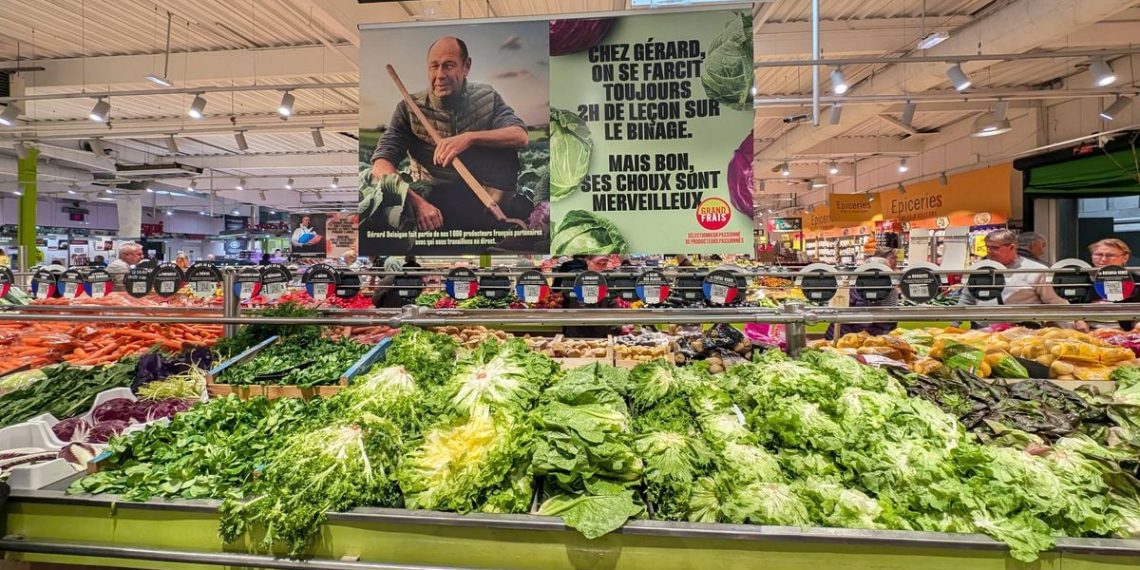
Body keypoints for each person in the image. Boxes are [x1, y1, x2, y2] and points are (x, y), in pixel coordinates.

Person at [369, 36, 529, 232]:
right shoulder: (408, 109)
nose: (440, 74)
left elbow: (519, 135)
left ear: (466, 66)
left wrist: (469, 138)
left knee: (507, 151)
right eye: (434, 66)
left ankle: (496, 221)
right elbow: (380, 165)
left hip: (482, 193)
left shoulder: (488, 97)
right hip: (433, 196)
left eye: (449, 65)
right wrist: (417, 202)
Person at [957, 229, 1073, 328]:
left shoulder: (1036, 270)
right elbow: (967, 299)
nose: (989, 252)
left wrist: (1071, 327)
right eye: (988, 247)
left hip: (1023, 333)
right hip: (983, 332)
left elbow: (1056, 302)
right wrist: (953, 324)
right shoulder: (980, 269)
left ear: (1012, 247)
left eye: (995, 248)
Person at [827, 248, 899, 339]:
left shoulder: (888, 290)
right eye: (893, 258)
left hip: (856, 337)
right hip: (848, 337)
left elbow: (888, 318)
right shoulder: (859, 288)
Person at [1082, 238, 1136, 330]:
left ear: (1125, 258)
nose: (1103, 259)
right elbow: (1070, 305)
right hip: (1087, 332)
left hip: (1124, 332)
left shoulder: (1136, 281)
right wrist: (1078, 320)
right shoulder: (1082, 280)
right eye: (1098, 254)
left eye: (1110, 255)